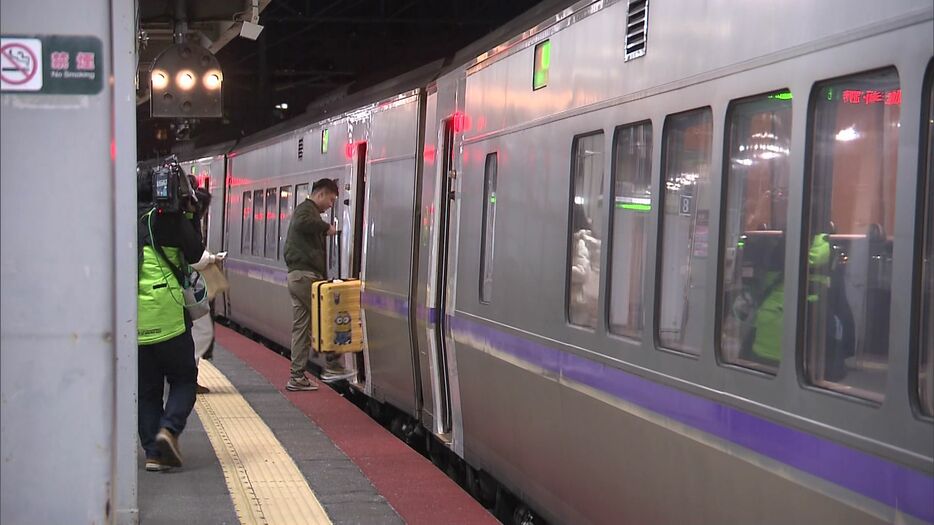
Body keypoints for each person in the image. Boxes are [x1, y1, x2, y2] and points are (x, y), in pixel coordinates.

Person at [136, 161, 206, 472]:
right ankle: (169, 429)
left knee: (148, 389)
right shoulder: (171, 221)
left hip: (133, 321)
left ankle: (153, 452)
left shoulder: (127, 219)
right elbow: (195, 254)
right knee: (184, 378)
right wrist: (191, 216)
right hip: (168, 318)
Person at [283, 178, 351, 391]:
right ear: (320, 194)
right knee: (328, 318)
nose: (331, 205)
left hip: (297, 277)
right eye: (331, 200)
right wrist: (326, 228)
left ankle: (297, 377)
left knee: (301, 329)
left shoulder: (307, 211)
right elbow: (302, 223)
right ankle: (333, 366)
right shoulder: (306, 210)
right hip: (305, 277)